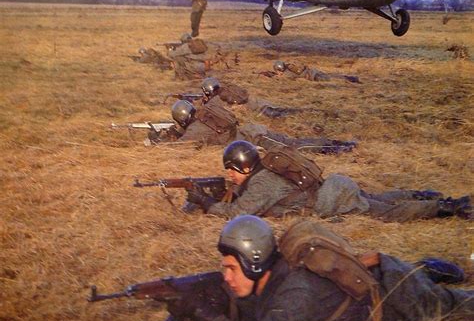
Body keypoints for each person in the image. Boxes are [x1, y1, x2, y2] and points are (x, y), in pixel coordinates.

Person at [166, 215, 473, 321]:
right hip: (379, 278)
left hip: (399, 294)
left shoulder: (297, 294)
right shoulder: (276, 276)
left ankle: (426, 271)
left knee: (456, 306)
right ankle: (425, 269)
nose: (226, 277)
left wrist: (208, 319)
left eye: (231, 268)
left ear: (254, 263)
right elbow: (260, 313)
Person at [186, 140, 472, 221]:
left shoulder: (261, 184)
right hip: (334, 187)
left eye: (232, 170)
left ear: (245, 167)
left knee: (386, 212)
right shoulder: (262, 173)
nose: (230, 175)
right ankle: (423, 194)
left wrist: (206, 203)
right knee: (379, 199)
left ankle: (447, 207)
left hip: (332, 199)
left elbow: (239, 213)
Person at [154, 100, 357, 155]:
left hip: (256, 138)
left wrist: (160, 139)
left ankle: (339, 148)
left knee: (295, 148)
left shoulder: (195, 130)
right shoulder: (203, 116)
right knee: (294, 143)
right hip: (253, 131)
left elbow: (178, 148)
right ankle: (336, 144)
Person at [201, 76, 310, 119]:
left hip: (260, 112)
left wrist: (205, 103)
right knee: (287, 110)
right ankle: (308, 111)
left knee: (284, 116)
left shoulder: (216, 100)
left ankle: (307, 113)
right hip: (259, 103)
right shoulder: (226, 90)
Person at [271, 60, 361, 83]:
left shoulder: (287, 73)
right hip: (313, 71)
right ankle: (350, 78)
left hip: (314, 76)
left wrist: (274, 76)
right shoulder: (290, 67)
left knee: (332, 79)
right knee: (333, 76)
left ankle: (351, 79)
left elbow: (281, 78)